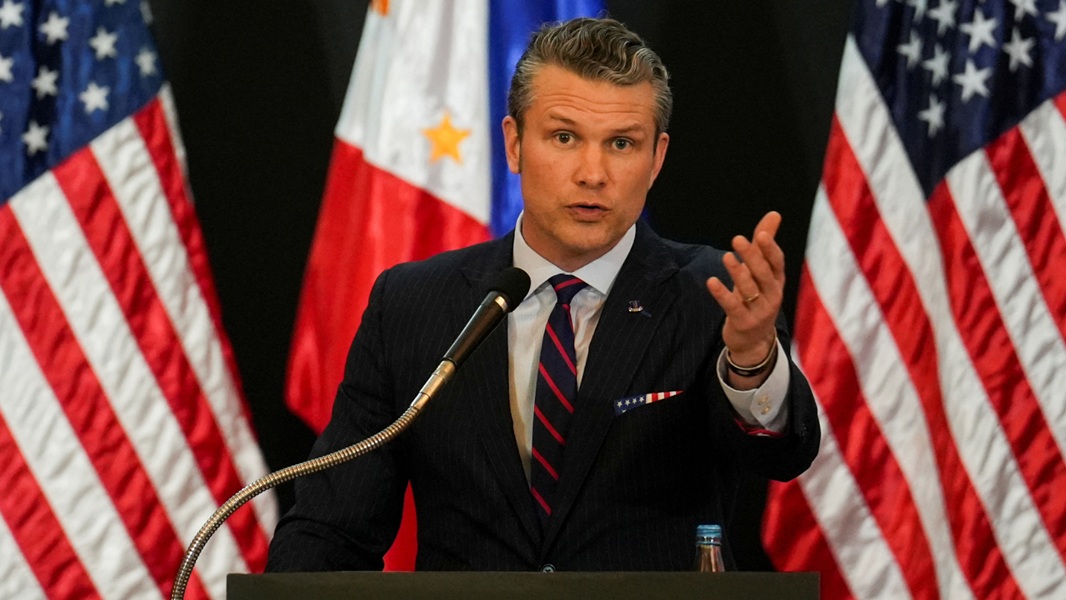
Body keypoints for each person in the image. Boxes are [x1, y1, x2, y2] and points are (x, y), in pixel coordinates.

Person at [267, 16, 819, 572]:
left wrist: (753, 360)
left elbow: (780, 454)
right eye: (564, 137)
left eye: (621, 143)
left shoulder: (712, 295)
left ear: (656, 159)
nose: (592, 173)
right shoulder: (412, 304)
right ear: (514, 144)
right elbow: (331, 528)